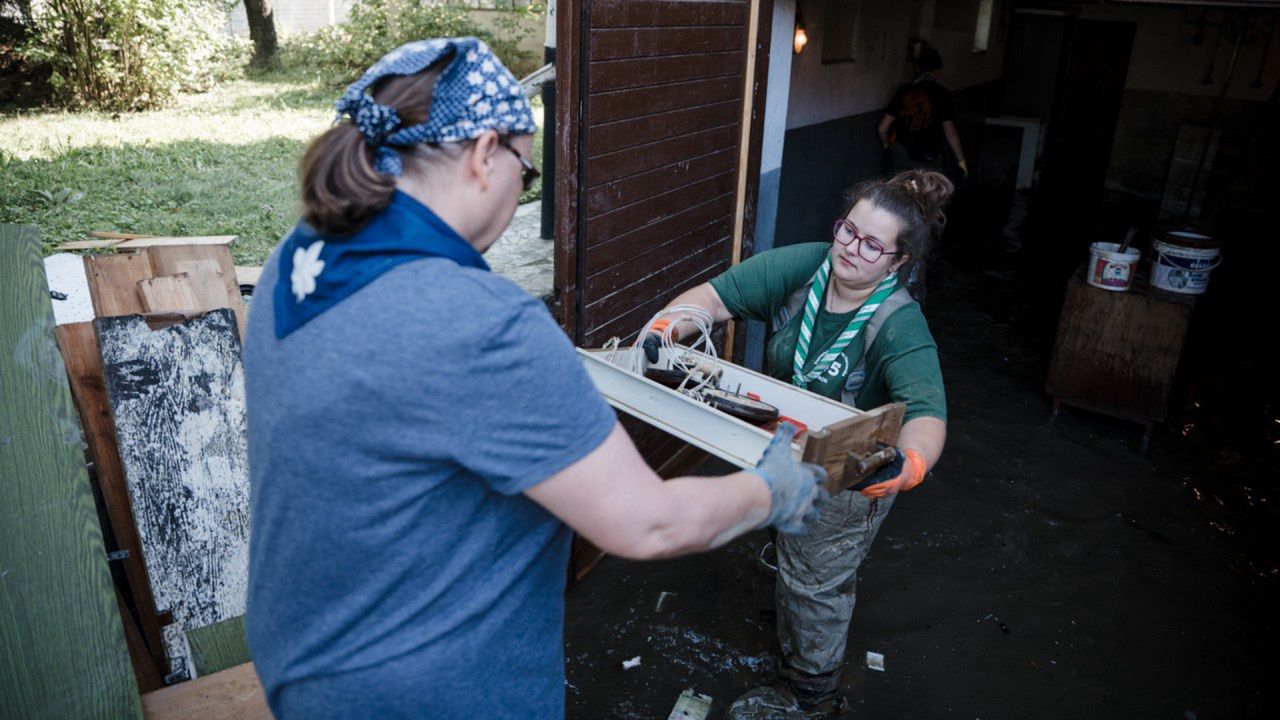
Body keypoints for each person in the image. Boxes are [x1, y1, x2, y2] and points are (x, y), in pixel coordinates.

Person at [241, 37, 828, 720]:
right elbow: (648, 525)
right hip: (433, 694)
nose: (526, 189)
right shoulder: (479, 321)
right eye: (529, 170)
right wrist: (770, 490)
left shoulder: (299, 256)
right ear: (485, 152)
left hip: (307, 664)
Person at [644, 171, 952, 717]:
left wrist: (908, 463)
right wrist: (670, 326)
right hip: (784, 444)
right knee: (790, 554)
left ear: (897, 261)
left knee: (815, 586)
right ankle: (792, 607)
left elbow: (928, 413)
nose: (851, 250)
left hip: (852, 473)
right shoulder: (806, 265)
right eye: (847, 231)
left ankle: (810, 694)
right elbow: (715, 297)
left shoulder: (899, 323)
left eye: (872, 245)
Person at [878, 47, 968, 179]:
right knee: (928, 197)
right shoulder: (942, 94)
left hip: (901, 154)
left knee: (898, 196)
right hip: (929, 157)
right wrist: (961, 161)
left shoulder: (903, 90)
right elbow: (950, 132)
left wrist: (887, 146)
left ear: (917, 68)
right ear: (938, 70)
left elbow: (882, 128)